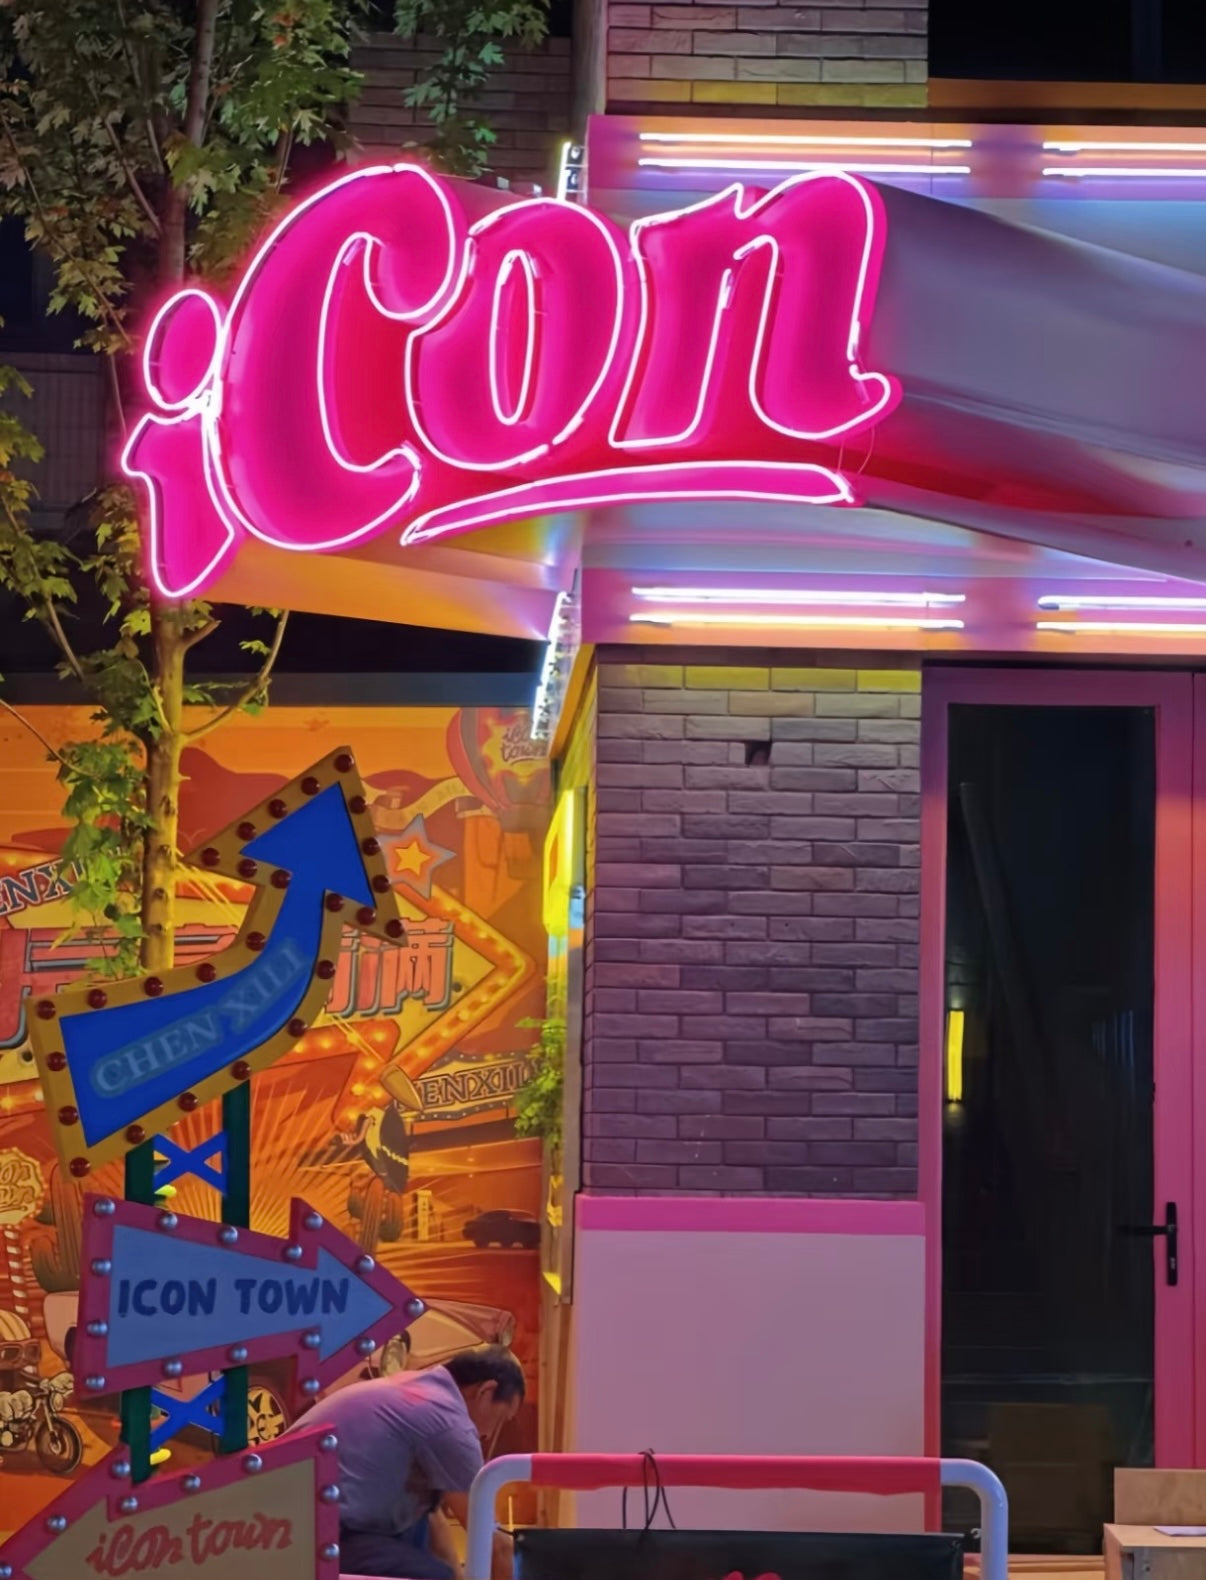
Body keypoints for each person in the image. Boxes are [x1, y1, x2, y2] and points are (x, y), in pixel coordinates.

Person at [289, 1346, 524, 1580]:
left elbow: (432, 1517)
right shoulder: (449, 1422)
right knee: (435, 1576)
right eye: (500, 1419)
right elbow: (495, 1545)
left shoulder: (421, 1390)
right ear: (486, 1391)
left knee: (417, 1525)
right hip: (310, 1536)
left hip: (289, 1518)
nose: (488, 1435)